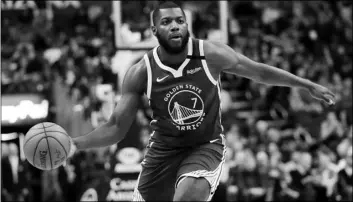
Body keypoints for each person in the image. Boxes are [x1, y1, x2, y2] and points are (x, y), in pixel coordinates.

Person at [66, 1, 335, 201]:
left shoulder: (210, 55)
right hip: (162, 153)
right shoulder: (141, 71)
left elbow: (258, 71)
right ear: (154, 30)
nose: (175, 26)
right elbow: (116, 126)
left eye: (180, 21)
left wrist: (306, 84)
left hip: (205, 147)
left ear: (187, 25)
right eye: (167, 22)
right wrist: (76, 144)